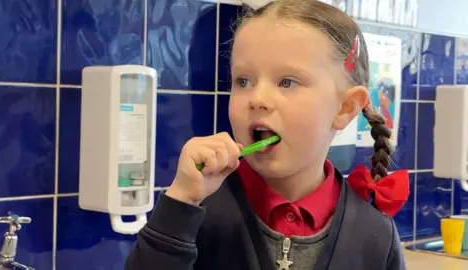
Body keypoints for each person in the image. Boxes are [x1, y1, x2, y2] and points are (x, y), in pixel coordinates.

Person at [125, 0, 410, 269]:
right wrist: (180, 201)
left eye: (287, 81)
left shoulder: (375, 235)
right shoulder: (196, 212)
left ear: (345, 108)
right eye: (243, 81)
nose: (257, 98)